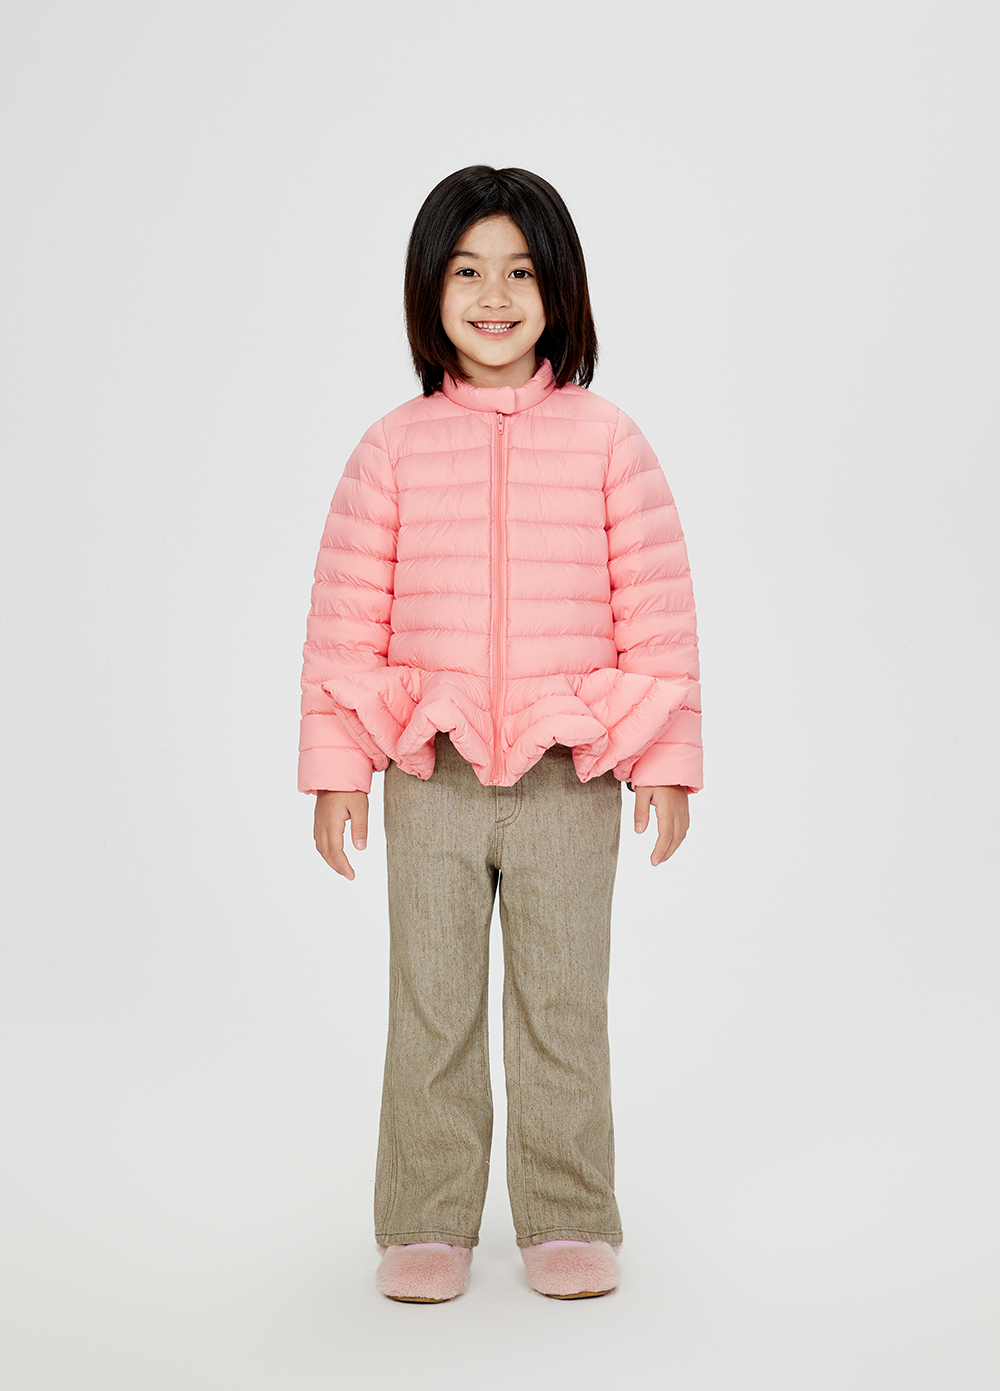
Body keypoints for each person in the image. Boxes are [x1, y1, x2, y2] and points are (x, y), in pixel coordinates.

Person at [298, 166, 702, 1302]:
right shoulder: (390, 449)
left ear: (559, 289)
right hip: (428, 768)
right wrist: (336, 771)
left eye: (520, 271)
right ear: (428, 289)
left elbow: (658, 612)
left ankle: (568, 1213)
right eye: (467, 270)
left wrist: (667, 763)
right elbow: (343, 621)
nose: (493, 296)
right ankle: (426, 1218)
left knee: (562, 1000)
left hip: (573, 770)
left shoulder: (610, 443)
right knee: (430, 1000)